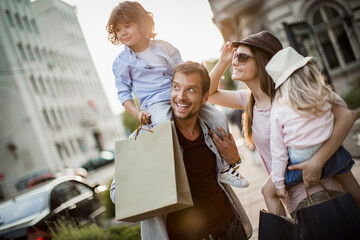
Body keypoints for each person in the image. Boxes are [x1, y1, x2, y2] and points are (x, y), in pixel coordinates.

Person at [207, 31, 357, 215]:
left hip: (320, 193)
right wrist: (223, 62)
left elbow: (347, 116)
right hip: (292, 200)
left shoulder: (291, 94)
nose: (235, 61)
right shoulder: (249, 99)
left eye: (243, 57)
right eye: (235, 56)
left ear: (264, 62)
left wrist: (317, 162)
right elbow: (209, 94)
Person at [106, 1, 247, 188]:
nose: (122, 32)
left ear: (142, 24)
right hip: (156, 103)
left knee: (218, 117)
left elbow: (183, 70)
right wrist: (138, 113)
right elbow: (124, 94)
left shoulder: (163, 47)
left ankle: (224, 169)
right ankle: (175, 176)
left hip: (180, 93)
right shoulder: (122, 63)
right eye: (117, 29)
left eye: (127, 26)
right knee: (165, 127)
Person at [110, 61, 253, 240]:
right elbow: (117, 195)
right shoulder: (149, 136)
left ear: (205, 98)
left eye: (191, 90)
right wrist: (150, 174)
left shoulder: (212, 129)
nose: (181, 96)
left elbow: (223, 172)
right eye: (176, 87)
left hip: (228, 228)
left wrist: (235, 159)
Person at [262, 46, 360, 213]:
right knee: (352, 187)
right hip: (330, 153)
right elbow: (343, 108)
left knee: (267, 191)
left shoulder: (278, 107)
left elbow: (278, 150)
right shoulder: (322, 92)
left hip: (299, 162)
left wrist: (279, 183)